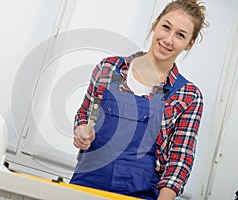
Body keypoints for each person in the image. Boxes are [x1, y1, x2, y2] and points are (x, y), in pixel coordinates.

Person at [70, 0, 208, 199]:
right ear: (155, 24)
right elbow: (84, 115)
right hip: (85, 187)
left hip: (139, 194)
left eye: (180, 35)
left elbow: (180, 160)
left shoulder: (188, 96)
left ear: (190, 43)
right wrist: (81, 130)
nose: (168, 40)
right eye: (166, 27)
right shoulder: (108, 68)